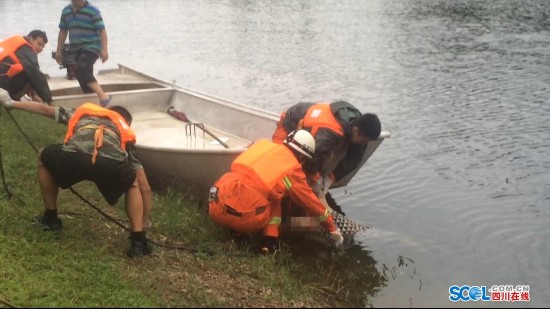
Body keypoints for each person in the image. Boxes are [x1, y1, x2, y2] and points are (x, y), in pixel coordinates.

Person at [0, 88, 153, 258]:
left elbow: (45, 109)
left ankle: (51, 218)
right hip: (110, 164)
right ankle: (138, 242)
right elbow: (145, 187)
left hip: (74, 157)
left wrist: (11, 103)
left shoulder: (83, 114)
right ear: (126, 123)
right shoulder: (123, 133)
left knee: (44, 156)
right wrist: (145, 223)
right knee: (132, 184)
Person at [208, 129, 344, 254]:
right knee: (274, 200)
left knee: (253, 190)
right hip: (245, 220)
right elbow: (309, 202)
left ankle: (237, 233)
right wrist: (331, 227)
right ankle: (268, 244)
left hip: (216, 206)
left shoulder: (262, 145)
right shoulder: (293, 169)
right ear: (302, 157)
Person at [272, 101, 381, 212]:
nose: (362, 143)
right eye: (363, 140)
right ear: (355, 131)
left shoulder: (360, 126)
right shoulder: (329, 134)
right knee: (280, 167)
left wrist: (330, 179)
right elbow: (312, 157)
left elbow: (354, 159)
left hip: (317, 132)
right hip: (291, 122)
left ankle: (310, 193)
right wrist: (317, 182)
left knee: (328, 156)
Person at [56, 0, 111, 107]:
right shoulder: (66, 11)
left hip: (92, 47)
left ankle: (103, 97)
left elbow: (102, 31)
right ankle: (90, 99)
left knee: (81, 68)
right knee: (82, 75)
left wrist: (104, 49)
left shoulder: (93, 10)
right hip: (76, 49)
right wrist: (59, 50)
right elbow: (63, 31)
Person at [0, 30, 53, 104]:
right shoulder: (26, 48)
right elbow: (37, 76)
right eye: (39, 44)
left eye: (43, 47)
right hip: (2, 85)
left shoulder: (17, 43)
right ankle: (14, 102)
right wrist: (49, 100)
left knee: (29, 71)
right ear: (30, 39)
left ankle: (32, 98)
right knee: (36, 75)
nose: (41, 48)